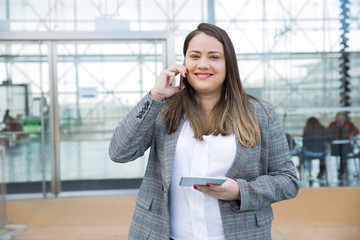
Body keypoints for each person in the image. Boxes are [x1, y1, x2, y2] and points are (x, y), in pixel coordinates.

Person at [109, 23, 299, 240]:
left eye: (214, 57)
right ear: (184, 63)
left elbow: (287, 180)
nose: (203, 64)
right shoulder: (163, 109)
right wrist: (155, 96)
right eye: (195, 56)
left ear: (229, 64)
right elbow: (119, 152)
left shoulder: (260, 114)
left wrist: (239, 190)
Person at [328, 112, 359, 180]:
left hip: (345, 144)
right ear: (336, 117)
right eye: (339, 117)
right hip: (336, 144)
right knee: (341, 157)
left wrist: (351, 135)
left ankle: (342, 171)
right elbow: (328, 132)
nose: (340, 119)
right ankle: (341, 171)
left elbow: (357, 131)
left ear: (344, 117)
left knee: (343, 156)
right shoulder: (332, 124)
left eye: (342, 117)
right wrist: (332, 138)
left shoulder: (349, 124)